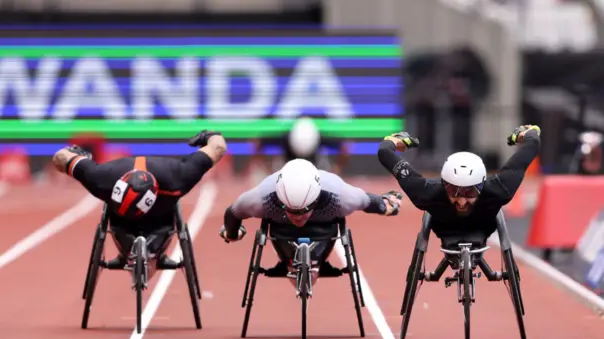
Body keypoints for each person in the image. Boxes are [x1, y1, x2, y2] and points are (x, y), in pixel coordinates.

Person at [51, 130, 227, 278]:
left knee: (162, 219)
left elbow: (217, 146)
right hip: (120, 217)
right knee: (121, 222)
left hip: (161, 213)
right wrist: (74, 153)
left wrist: (208, 135)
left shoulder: (177, 178)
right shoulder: (101, 179)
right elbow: (60, 157)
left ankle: (153, 248)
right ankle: (128, 246)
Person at [219, 158, 403, 281]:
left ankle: (316, 263)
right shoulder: (261, 198)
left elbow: (368, 200)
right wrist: (232, 233)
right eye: (291, 210)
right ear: (280, 200)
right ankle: (289, 262)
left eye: (304, 210)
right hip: (281, 232)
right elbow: (232, 213)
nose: (298, 218)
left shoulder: (340, 195)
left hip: (324, 231)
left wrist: (385, 205)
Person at [376, 124, 541, 247]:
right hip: (445, 230)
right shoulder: (426, 193)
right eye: (454, 192)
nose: (462, 202)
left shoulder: (499, 189)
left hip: (482, 229)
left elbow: (532, 144)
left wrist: (394, 141)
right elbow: (385, 153)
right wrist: (525, 134)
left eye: (470, 193)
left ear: (482, 186)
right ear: (444, 185)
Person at [248, 116, 349, 179]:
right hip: (284, 169)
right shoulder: (285, 138)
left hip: (317, 169)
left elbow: (345, 145)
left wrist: (336, 170)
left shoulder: (319, 139)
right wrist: (267, 169)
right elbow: (256, 142)